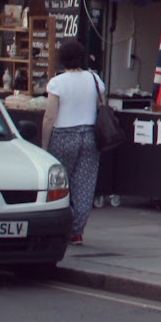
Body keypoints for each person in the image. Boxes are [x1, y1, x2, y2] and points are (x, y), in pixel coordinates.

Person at [41, 40, 104, 246]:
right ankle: (76, 231)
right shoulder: (95, 79)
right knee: (84, 185)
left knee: (59, 184)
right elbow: (100, 107)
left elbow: (50, 117)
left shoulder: (57, 83)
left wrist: (44, 145)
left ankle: (56, 228)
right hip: (89, 135)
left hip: (64, 135)